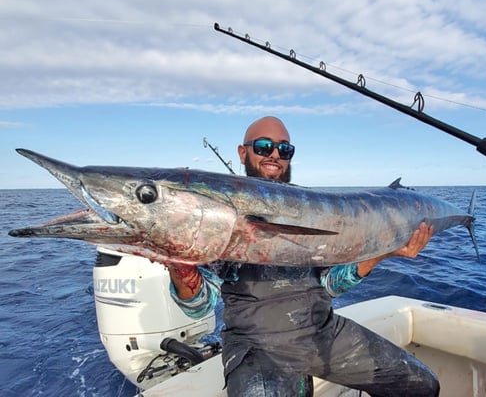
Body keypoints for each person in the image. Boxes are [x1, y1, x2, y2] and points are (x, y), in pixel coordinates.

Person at [169, 116, 440, 397]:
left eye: (284, 149)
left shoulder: (313, 207)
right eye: (263, 146)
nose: (274, 154)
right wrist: (180, 266)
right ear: (242, 152)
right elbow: (200, 308)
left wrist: (383, 252)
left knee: (423, 386)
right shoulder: (219, 213)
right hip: (256, 347)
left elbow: (330, 285)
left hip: (322, 332)